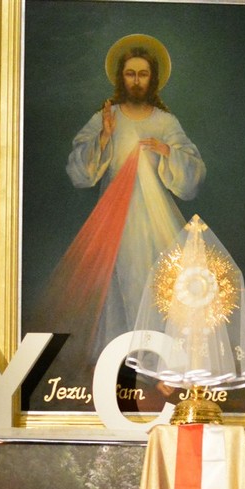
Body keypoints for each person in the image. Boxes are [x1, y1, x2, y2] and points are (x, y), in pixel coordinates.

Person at [33, 35, 205, 377]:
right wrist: (104, 136)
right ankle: (118, 362)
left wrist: (167, 152)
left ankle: (156, 362)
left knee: (156, 281)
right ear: (120, 78)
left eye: (143, 74)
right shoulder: (106, 117)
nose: (136, 81)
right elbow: (80, 171)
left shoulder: (165, 122)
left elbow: (193, 173)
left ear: (152, 79)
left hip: (155, 220)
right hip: (115, 217)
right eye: (130, 74)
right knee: (115, 283)